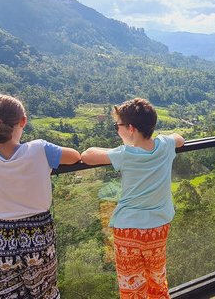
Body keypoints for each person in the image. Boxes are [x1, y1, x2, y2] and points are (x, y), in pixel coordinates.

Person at [81, 98, 184, 299]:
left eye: (117, 126)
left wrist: (114, 150)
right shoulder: (164, 145)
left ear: (130, 128)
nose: (116, 129)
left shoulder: (125, 154)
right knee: (157, 280)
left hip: (128, 231)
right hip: (159, 227)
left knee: (132, 286)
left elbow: (87, 155)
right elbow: (179, 139)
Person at [0, 94, 81, 299]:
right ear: (23, 121)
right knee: (45, 291)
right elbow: (75, 156)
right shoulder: (39, 149)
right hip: (38, 234)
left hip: (0, 237)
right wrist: (45, 165)